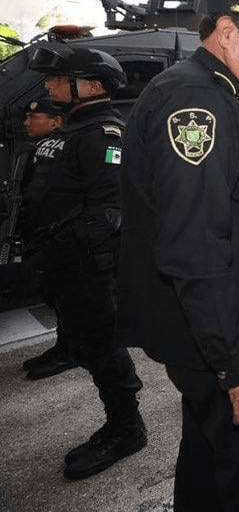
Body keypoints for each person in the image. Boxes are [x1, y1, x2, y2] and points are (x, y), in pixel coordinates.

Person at [117, 0, 239, 512]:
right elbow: (194, 245)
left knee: (209, 463)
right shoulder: (197, 99)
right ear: (226, 32)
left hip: (222, 326)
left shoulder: (219, 92)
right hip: (230, 333)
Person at [22, 46, 146, 480]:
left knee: (103, 346)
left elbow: (108, 212)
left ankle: (126, 429)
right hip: (65, 263)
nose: (51, 85)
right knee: (86, 342)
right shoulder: (73, 129)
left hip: (88, 265)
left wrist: (58, 250)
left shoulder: (103, 135)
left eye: (60, 79)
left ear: (92, 86)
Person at [18, 97, 79, 380]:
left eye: (34, 117)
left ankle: (70, 351)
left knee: (67, 298)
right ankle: (64, 347)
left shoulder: (59, 147)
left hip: (59, 237)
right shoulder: (43, 146)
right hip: (47, 235)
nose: (27, 123)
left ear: (56, 122)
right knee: (56, 296)